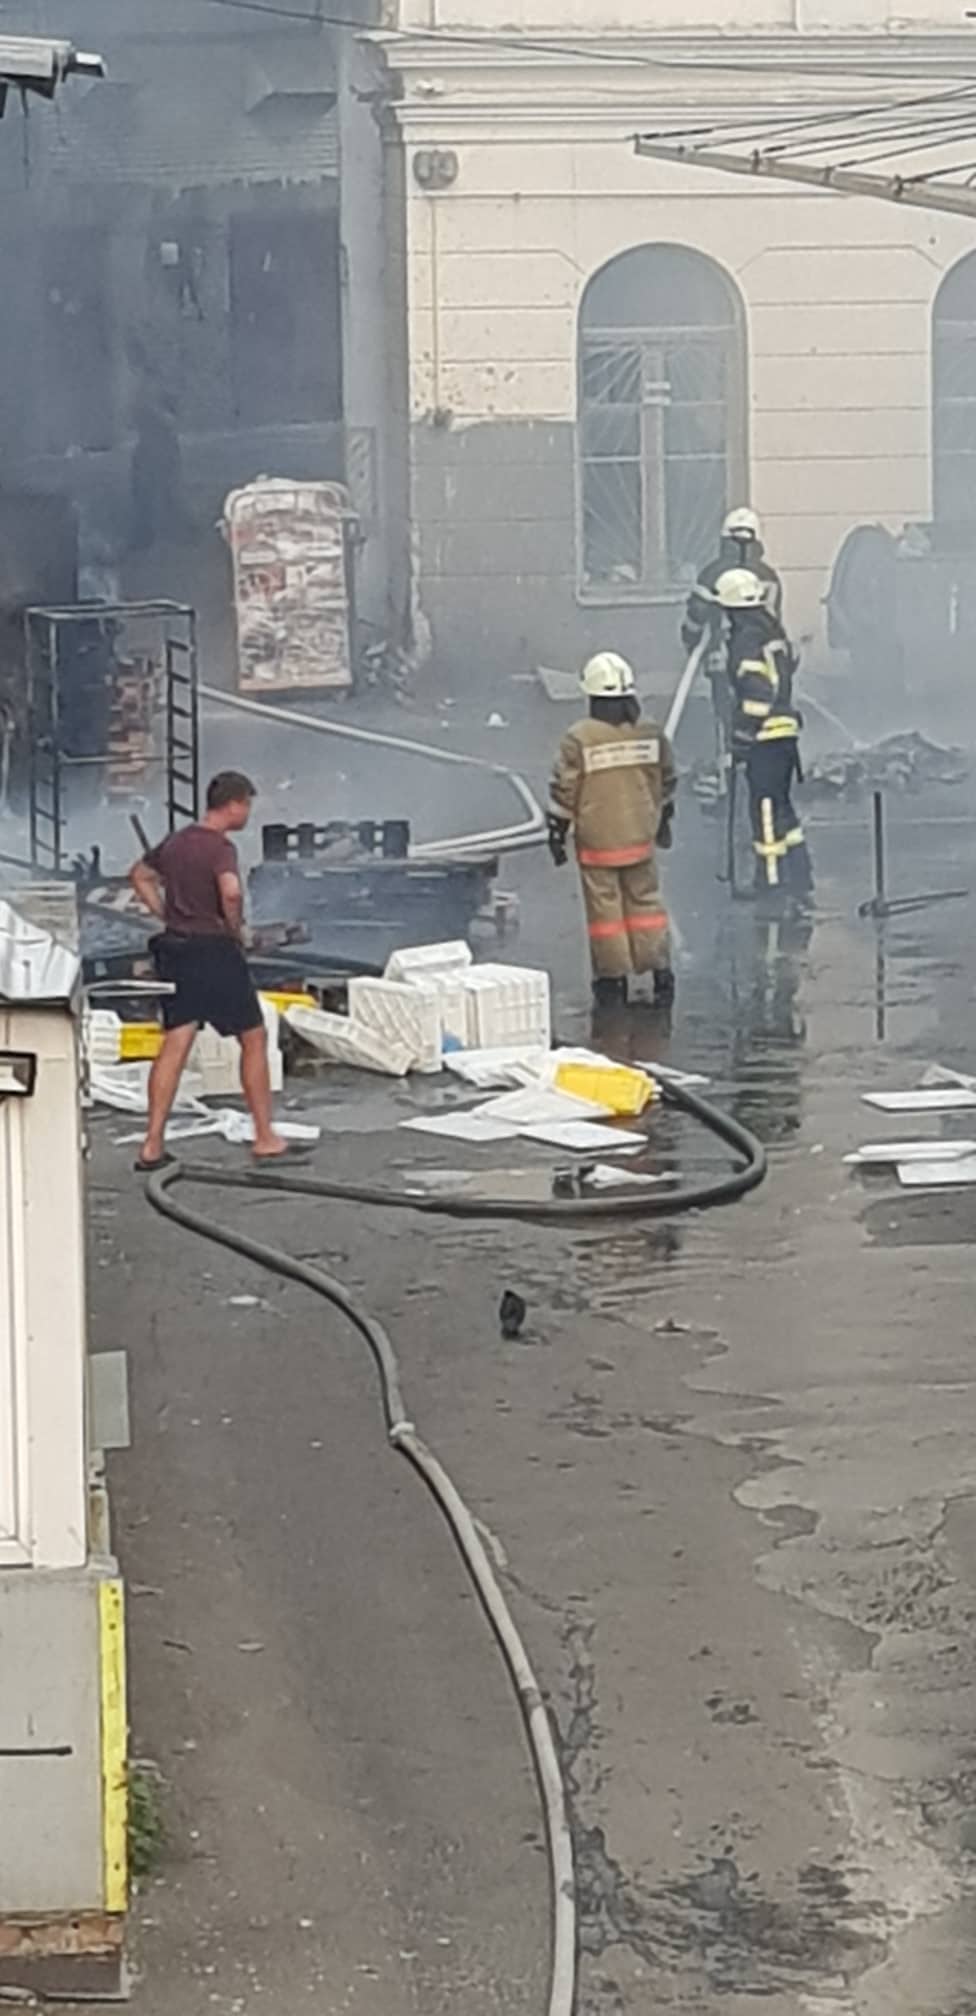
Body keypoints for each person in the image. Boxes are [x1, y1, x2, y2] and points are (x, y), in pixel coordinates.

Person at [129, 770, 292, 1171]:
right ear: (234, 804)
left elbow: (140, 875)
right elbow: (231, 891)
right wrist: (237, 930)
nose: (248, 813)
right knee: (253, 1037)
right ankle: (265, 1138)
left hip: (176, 949)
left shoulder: (177, 841)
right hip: (215, 950)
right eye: (247, 805)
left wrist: (165, 913)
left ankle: (152, 1144)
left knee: (176, 1040)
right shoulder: (220, 848)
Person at [549, 651, 676, 1007]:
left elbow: (564, 791)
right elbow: (667, 782)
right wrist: (662, 822)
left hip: (598, 844)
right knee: (646, 905)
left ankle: (612, 978)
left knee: (606, 914)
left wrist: (556, 833)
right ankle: (660, 970)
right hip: (640, 839)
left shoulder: (579, 738)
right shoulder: (651, 733)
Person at [713, 568, 814, 907]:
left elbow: (757, 693)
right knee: (782, 806)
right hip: (784, 733)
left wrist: (742, 735)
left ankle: (770, 880)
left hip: (765, 736)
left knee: (766, 808)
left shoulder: (746, 640)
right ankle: (799, 873)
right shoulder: (771, 631)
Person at [681, 508, 784, 795]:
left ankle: (729, 781)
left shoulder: (712, 573)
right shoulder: (769, 576)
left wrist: (692, 643)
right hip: (765, 664)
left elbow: (695, 617)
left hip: (723, 663)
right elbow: (775, 622)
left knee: (726, 722)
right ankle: (762, 778)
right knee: (762, 717)